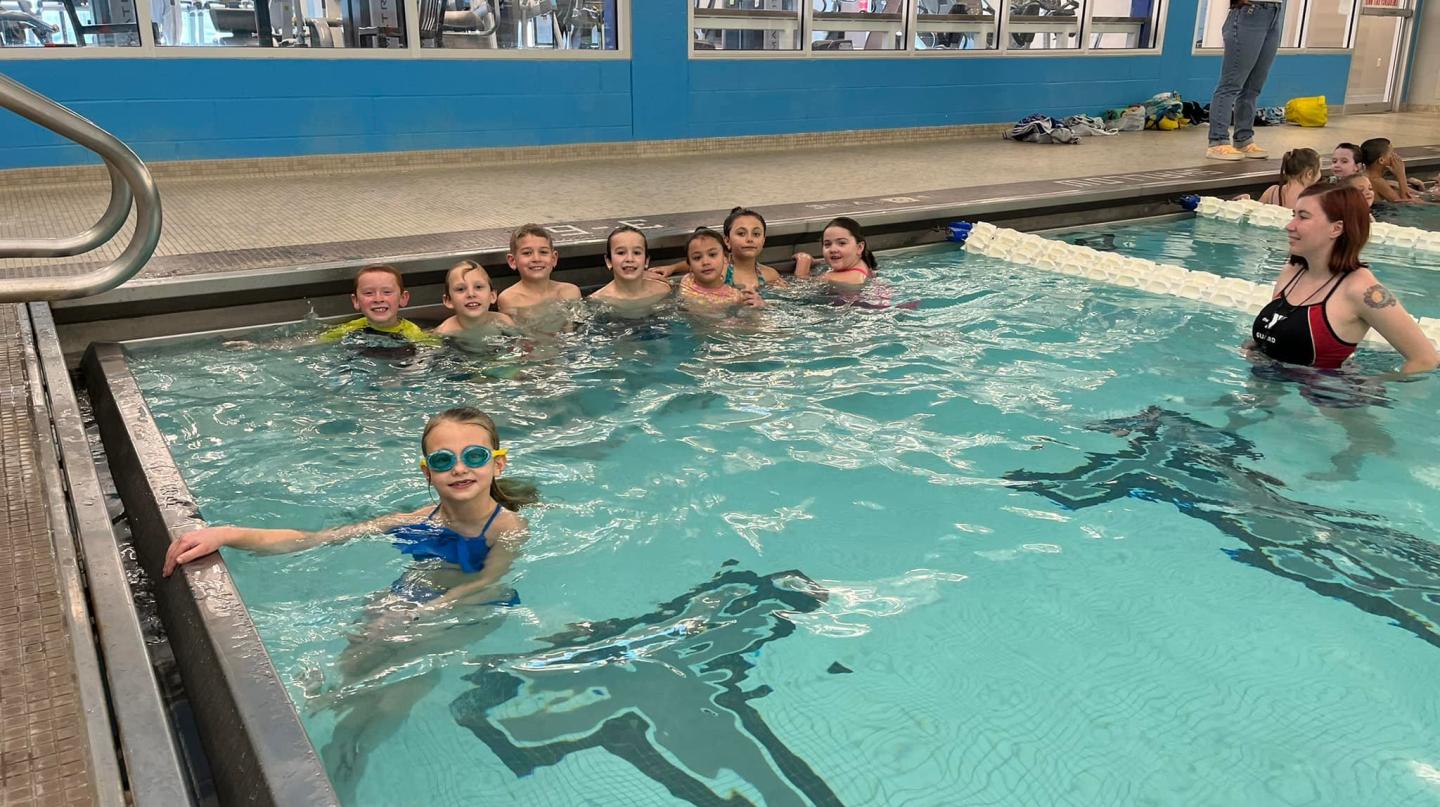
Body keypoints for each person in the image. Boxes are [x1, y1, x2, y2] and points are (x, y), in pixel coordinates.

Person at [1247, 184, 1436, 374]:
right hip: (1271, 387)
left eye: (1303, 217)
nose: (1290, 226)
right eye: (1293, 215)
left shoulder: (1364, 290)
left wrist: (1370, 386)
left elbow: (1425, 359)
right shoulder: (1292, 271)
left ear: (1336, 228)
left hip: (1329, 399)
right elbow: (1279, 331)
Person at [1205, 0, 1284, 162]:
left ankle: (1243, 138)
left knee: (1254, 85)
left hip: (1274, 12)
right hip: (1249, 12)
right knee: (1231, 83)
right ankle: (1217, 140)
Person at [319, 265, 430, 344]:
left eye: (387, 292)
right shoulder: (352, 327)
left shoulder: (412, 333)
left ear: (403, 298)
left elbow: (427, 353)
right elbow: (317, 342)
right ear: (356, 301)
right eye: (368, 293)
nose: (378, 299)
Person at [495, 224, 582, 316]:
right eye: (527, 253)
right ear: (512, 261)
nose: (536, 258)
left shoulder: (570, 292)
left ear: (553, 258)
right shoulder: (510, 299)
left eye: (543, 252)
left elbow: (575, 328)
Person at [590, 226, 672, 310]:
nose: (630, 259)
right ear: (609, 261)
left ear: (646, 261)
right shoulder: (598, 301)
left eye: (636, 253)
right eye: (621, 253)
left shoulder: (663, 291)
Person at [678, 228, 762, 309]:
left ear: (725, 258)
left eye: (712, 255)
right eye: (697, 258)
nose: (705, 262)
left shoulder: (734, 296)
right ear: (690, 266)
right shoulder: (687, 281)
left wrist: (759, 306)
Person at [434, 260, 515, 336]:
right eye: (461, 289)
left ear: (492, 296)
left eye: (478, 287)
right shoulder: (444, 332)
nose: (471, 294)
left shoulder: (503, 322)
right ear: (448, 300)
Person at [793, 217, 878, 288]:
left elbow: (798, 288)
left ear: (859, 247)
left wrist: (803, 261)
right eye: (827, 244)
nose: (833, 249)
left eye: (842, 243)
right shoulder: (864, 265)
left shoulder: (831, 278)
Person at [1361, 138, 1419, 204]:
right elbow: (1406, 202)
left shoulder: (1362, 176)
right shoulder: (1377, 181)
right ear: (1381, 160)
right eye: (1392, 153)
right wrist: (1401, 174)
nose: (1395, 156)